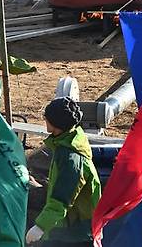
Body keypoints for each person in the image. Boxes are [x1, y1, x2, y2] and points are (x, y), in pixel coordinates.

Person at [26, 97, 101, 245]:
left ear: (55, 123)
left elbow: (62, 197)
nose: (44, 119)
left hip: (74, 234)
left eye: (46, 117)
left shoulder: (71, 158)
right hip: (68, 230)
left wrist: (41, 227)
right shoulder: (69, 141)